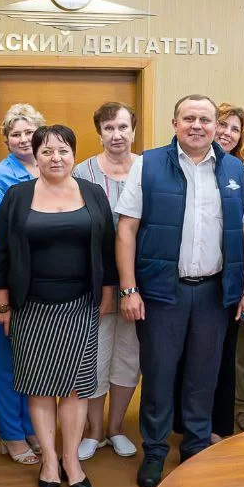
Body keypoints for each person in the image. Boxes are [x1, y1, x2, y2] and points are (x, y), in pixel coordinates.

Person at [116, 94, 244, 487]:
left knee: (204, 375)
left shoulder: (235, 170)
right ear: (174, 123)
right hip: (162, 292)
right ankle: (155, 451)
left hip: (214, 293)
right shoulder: (148, 165)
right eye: (189, 118)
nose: (197, 125)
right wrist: (129, 289)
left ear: (215, 126)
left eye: (205, 119)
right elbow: (126, 229)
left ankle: (195, 448)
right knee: (159, 375)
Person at [0, 125, 117, 487]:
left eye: (63, 151)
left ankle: (71, 460)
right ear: (36, 156)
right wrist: (2, 302)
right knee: (40, 386)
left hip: (80, 304)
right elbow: (1, 251)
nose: (55, 158)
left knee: (76, 387)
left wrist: (108, 291)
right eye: (46, 151)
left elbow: (107, 247)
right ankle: (49, 460)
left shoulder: (92, 193)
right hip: (31, 306)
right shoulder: (17, 195)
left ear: (74, 155)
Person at [73, 102, 141, 461]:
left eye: (123, 127)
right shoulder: (81, 173)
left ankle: (116, 428)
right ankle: (94, 431)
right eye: (109, 128)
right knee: (95, 358)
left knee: (128, 358)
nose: (117, 135)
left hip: (138, 285)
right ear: (99, 132)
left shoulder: (148, 169)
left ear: (134, 131)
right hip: (94, 285)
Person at [0, 103, 45, 465]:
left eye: (28, 132)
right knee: (7, 360)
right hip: (6, 281)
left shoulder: (50, 168)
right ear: (6, 140)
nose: (22, 139)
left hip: (43, 283)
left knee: (32, 359)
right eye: (15, 133)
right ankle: (11, 433)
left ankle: (30, 425)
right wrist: (2, 295)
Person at [203, 102, 244, 439]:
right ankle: (190, 423)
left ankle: (219, 427)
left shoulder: (241, 172)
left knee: (224, 354)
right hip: (194, 277)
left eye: (235, 129)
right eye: (222, 124)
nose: (227, 133)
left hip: (230, 280)